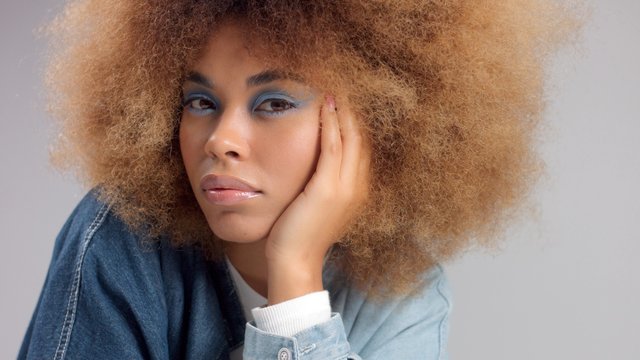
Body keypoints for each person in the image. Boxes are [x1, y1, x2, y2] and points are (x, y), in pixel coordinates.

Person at [19, 0, 576, 359]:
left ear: (372, 122)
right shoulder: (121, 239)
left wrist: (295, 274)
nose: (221, 139)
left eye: (274, 102)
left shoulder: (402, 293)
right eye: (200, 101)